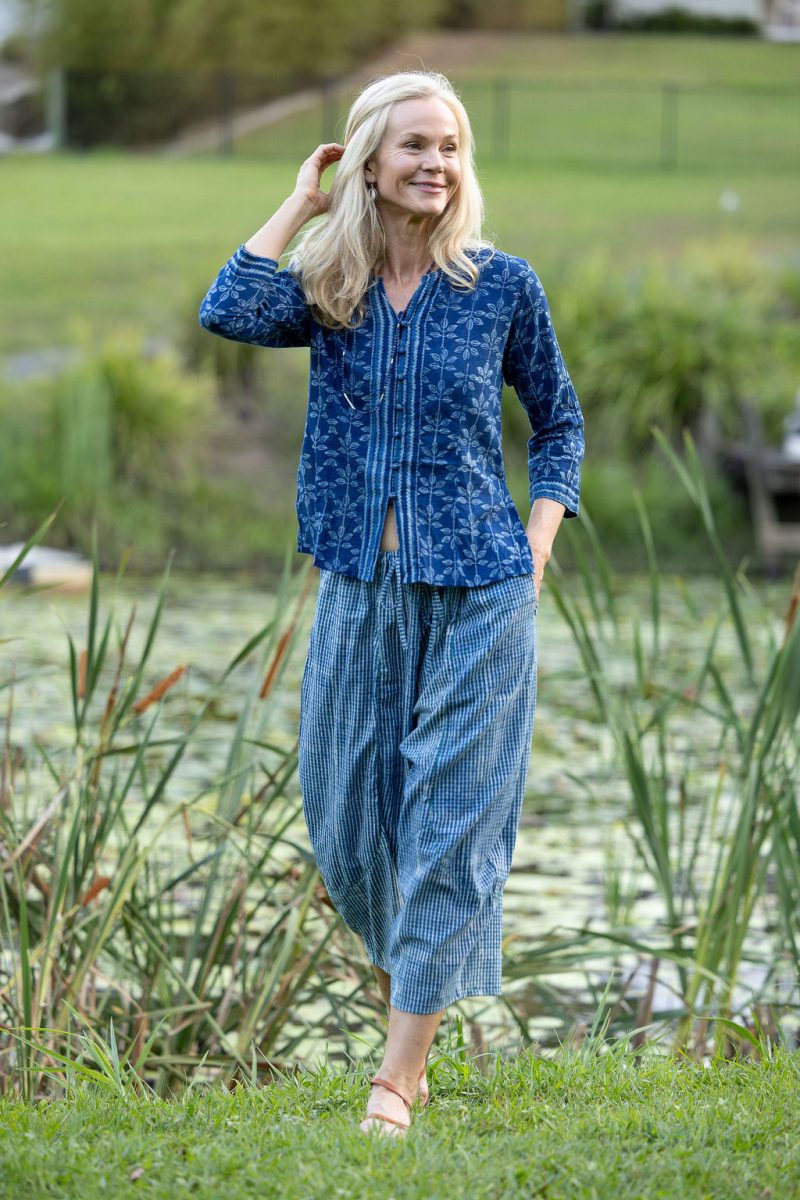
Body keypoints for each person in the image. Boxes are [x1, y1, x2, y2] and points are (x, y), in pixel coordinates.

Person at [199, 69, 585, 1137]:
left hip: (481, 589)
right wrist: (303, 202)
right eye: (412, 144)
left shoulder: (501, 286)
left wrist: (538, 540)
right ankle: (422, 990)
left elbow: (560, 422)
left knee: (449, 823)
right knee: (346, 817)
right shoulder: (333, 286)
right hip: (359, 589)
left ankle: (397, 1075)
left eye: (450, 146)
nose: (434, 163)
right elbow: (226, 304)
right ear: (369, 158)